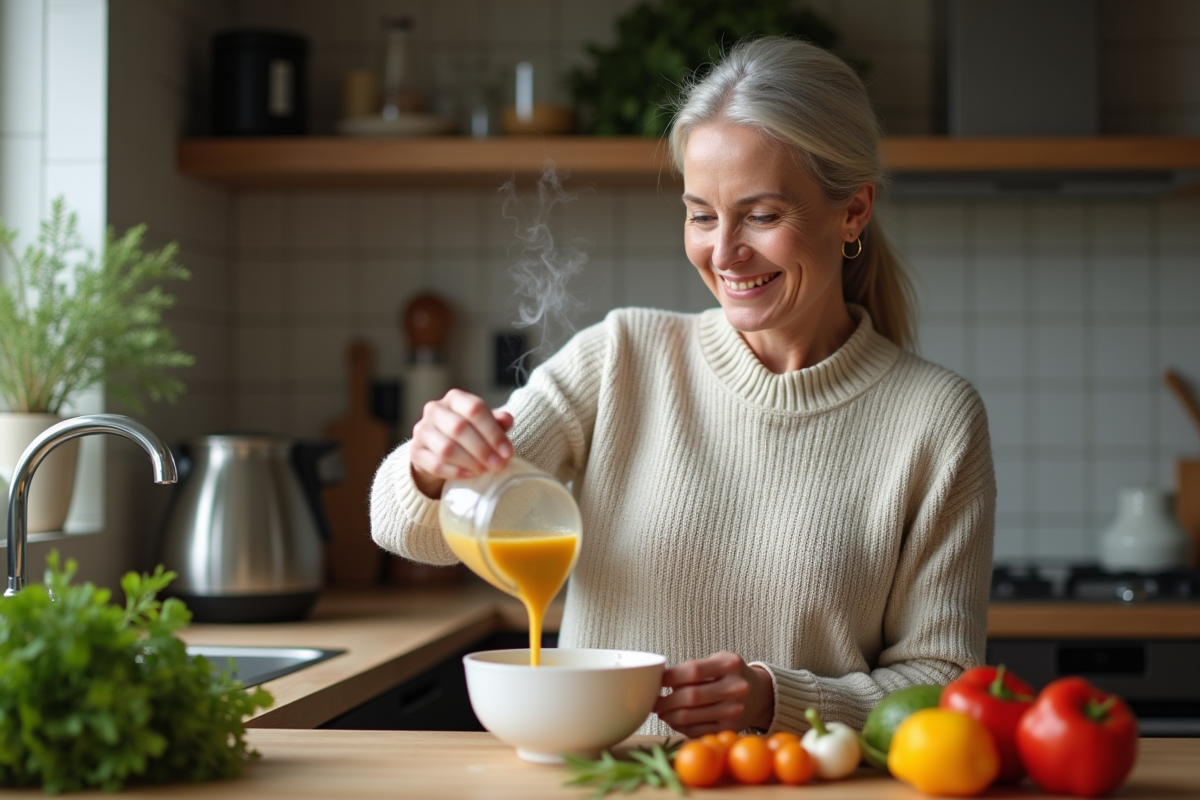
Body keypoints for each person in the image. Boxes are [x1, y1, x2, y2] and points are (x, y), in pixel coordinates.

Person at [370, 36, 995, 737]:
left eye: (761, 215)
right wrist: (431, 467)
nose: (723, 252)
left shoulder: (935, 418)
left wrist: (775, 702)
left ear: (851, 211)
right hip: (606, 782)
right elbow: (409, 534)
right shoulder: (621, 358)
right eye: (701, 214)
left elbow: (944, 685)